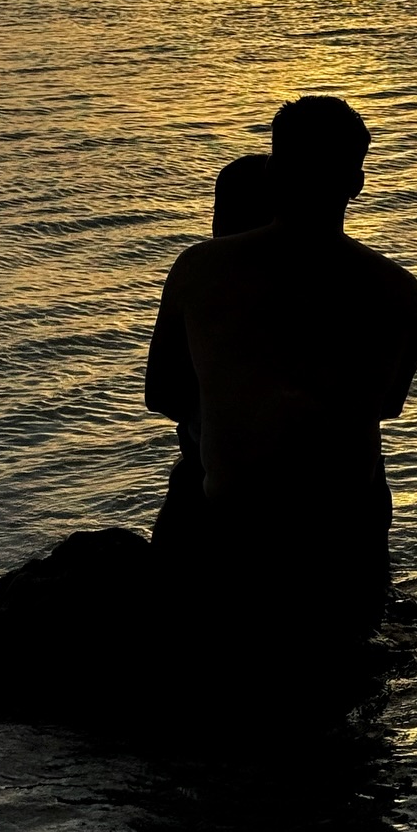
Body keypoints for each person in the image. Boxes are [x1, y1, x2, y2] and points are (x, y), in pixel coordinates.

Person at [147, 98, 417, 644]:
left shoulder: (200, 268)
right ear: (357, 183)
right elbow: (387, 405)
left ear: (272, 173)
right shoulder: (397, 288)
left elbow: (162, 392)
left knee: (196, 461)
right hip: (339, 533)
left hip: (229, 526)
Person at [147, 152, 275, 553]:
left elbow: (160, 393)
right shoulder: (350, 279)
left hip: (219, 490)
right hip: (333, 494)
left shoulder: (199, 275)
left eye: (219, 209)